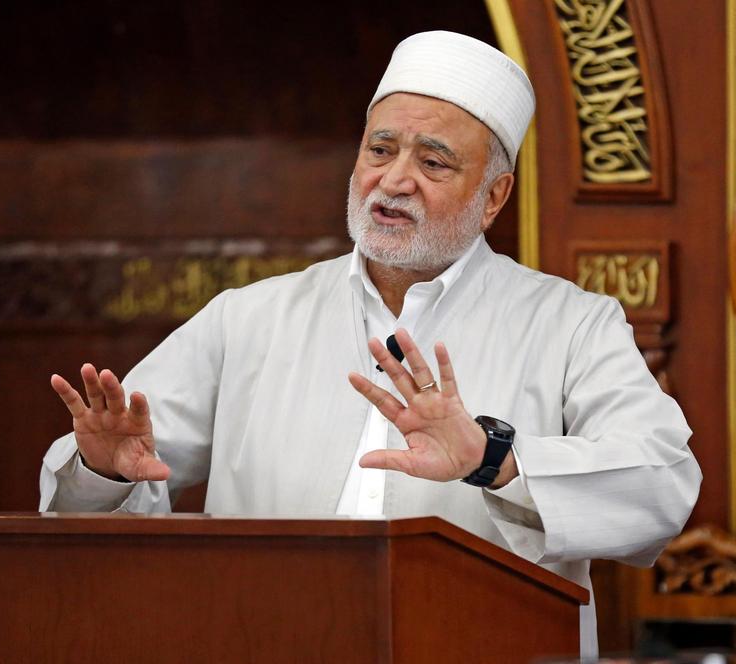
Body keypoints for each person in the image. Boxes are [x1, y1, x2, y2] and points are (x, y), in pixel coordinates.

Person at [39, 30, 701, 657]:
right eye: (380, 151)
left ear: (494, 197)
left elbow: (664, 485)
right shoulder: (249, 318)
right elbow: (102, 506)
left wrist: (496, 459)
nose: (394, 179)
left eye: (433, 161)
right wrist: (100, 469)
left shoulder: (570, 323)